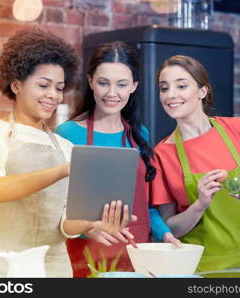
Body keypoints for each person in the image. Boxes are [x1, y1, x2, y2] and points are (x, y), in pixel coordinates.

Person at [0, 28, 134, 278]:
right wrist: (61, 170)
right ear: (16, 85)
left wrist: (90, 224)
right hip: (1, 267)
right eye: (43, 85)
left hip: (53, 269)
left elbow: (64, 222)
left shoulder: (64, 146)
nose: (53, 96)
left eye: (59, 88)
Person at [55, 41, 181, 277]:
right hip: (87, 254)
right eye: (103, 83)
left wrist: (164, 233)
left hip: (136, 252)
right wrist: (88, 229)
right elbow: (55, 211)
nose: (112, 93)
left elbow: (145, 206)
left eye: (121, 84)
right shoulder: (67, 134)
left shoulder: (139, 134)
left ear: (133, 86)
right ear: (91, 81)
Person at [150, 55, 240, 272]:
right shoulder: (162, 154)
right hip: (200, 267)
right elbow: (170, 228)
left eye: (181, 86)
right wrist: (200, 205)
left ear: (202, 91)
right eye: (164, 88)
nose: (171, 95)